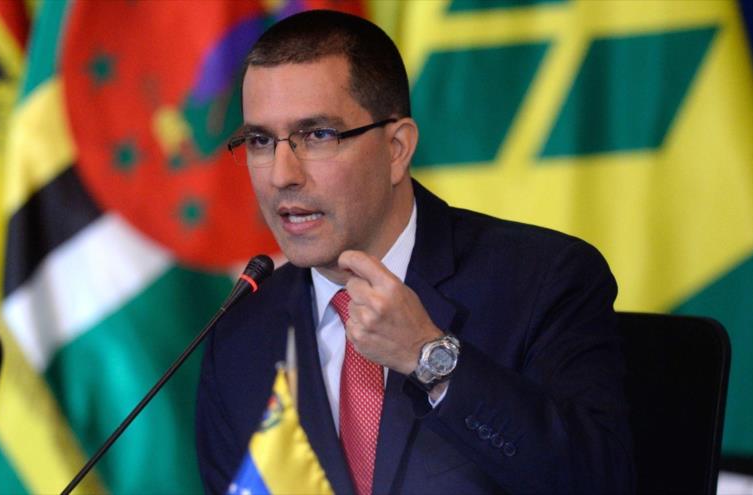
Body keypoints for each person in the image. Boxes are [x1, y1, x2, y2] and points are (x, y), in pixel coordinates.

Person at [196, 9, 633, 495]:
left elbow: (600, 482)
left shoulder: (541, 282)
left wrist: (430, 357)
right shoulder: (239, 336)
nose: (282, 175)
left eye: (317, 135)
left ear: (397, 148)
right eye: (260, 140)